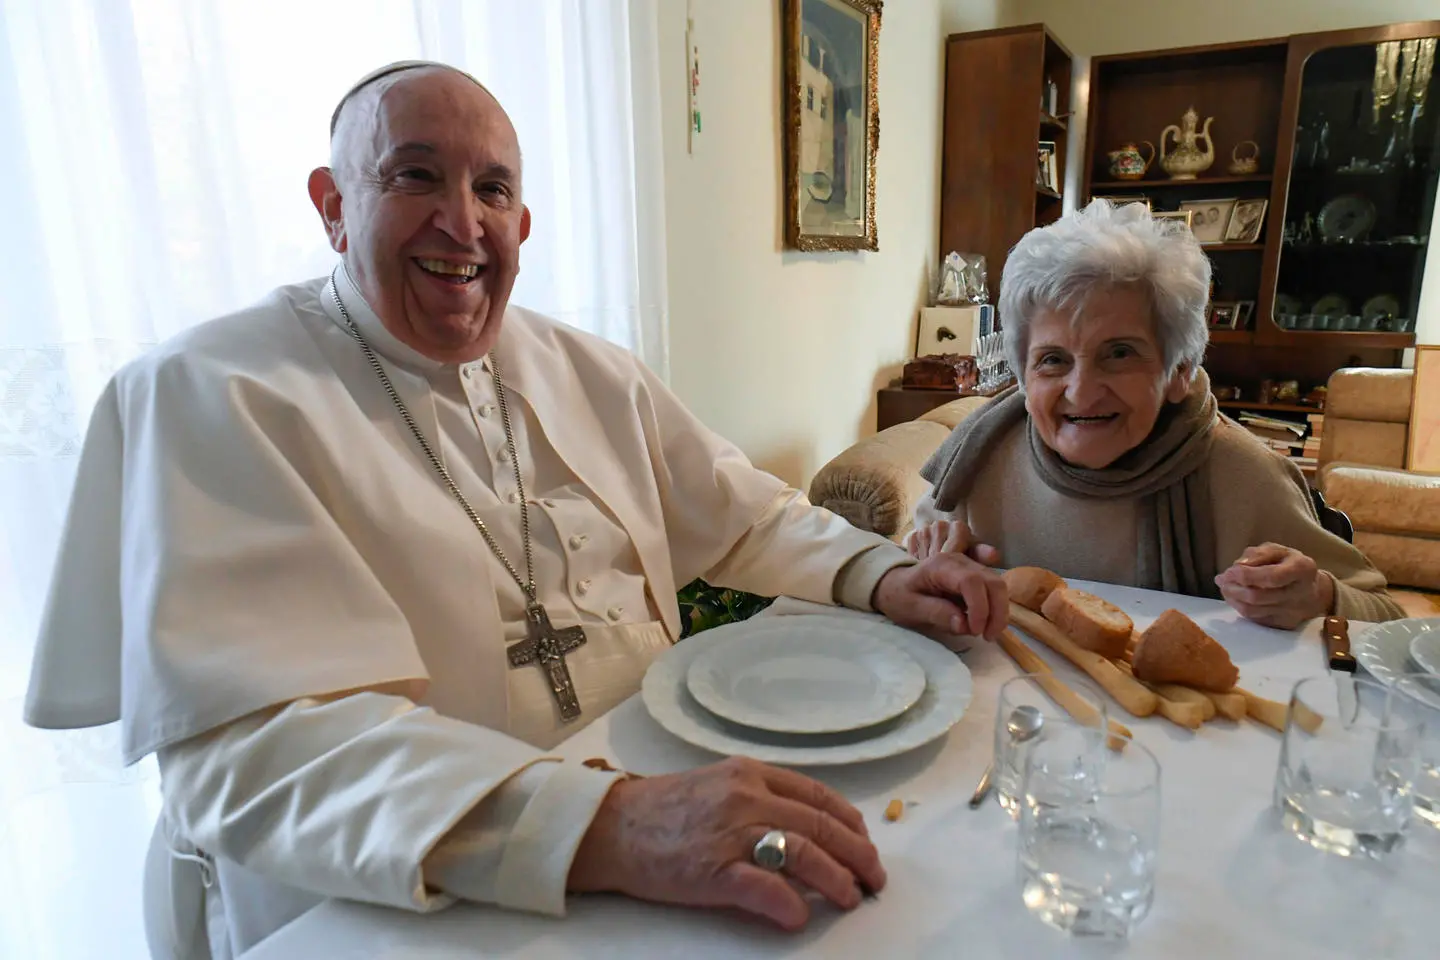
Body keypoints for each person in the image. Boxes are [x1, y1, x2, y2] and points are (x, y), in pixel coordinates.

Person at [23, 62, 1005, 960]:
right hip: (404, 889)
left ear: (523, 223)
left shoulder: (590, 368)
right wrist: (604, 825)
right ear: (331, 207)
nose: (464, 221)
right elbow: (250, 752)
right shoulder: (211, 393)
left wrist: (882, 573)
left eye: (493, 189)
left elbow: (740, 507)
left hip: (661, 806)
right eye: (415, 178)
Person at [907, 199, 1403, 629]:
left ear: (1179, 370)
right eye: (1052, 360)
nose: (1081, 392)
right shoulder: (982, 455)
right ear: (1023, 373)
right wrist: (928, 560)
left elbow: (1384, 615)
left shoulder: (1242, 474)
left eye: (1119, 353)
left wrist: (1318, 596)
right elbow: (911, 568)